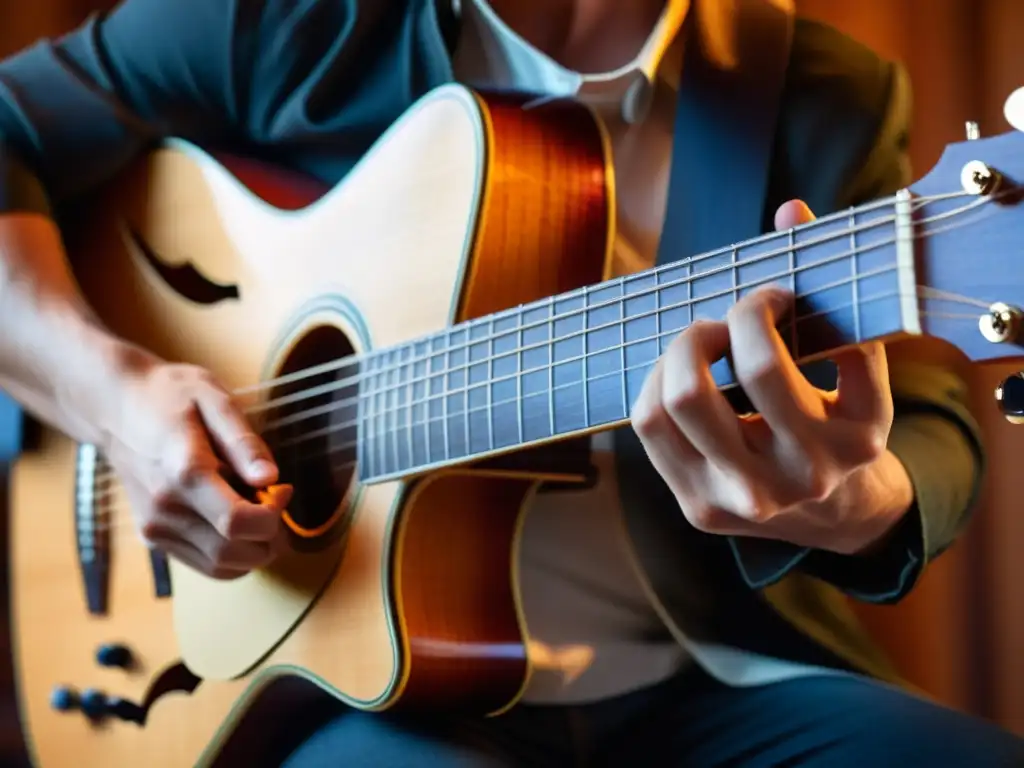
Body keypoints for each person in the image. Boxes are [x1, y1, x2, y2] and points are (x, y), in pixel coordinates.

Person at [0, 0, 1022, 764]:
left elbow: (922, 411)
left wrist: (853, 502)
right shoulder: (293, 17)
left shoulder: (818, 87)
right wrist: (116, 401)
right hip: (365, 704)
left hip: (702, 674)